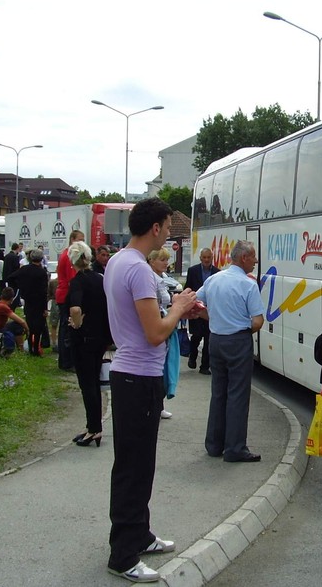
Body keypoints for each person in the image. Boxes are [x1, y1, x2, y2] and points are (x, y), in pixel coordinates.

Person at [103, 198, 198, 583]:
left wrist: (176, 312)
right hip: (138, 377)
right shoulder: (140, 271)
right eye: (167, 227)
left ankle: (138, 534)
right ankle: (123, 555)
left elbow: (145, 323)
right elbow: (155, 334)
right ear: (157, 228)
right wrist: (178, 306)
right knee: (134, 468)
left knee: (138, 463)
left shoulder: (116, 261)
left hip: (129, 373)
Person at [196, 240, 265, 463]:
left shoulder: (214, 279)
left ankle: (214, 444)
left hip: (215, 340)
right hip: (238, 341)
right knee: (237, 394)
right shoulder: (248, 285)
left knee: (218, 392)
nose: (255, 261)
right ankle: (235, 448)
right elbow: (257, 321)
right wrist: (245, 325)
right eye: (253, 256)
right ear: (243, 258)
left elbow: (196, 304)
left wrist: (214, 317)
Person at [67, 241, 112, 447]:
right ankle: (92, 426)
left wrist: (75, 324)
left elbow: (75, 309)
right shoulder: (99, 278)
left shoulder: (78, 281)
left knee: (88, 384)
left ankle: (94, 429)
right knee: (94, 381)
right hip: (101, 336)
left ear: (72, 260)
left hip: (84, 338)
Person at [147, 248, 182, 419]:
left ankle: (158, 404)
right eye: (162, 259)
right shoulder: (151, 278)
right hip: (160, 322)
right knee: (159, 366)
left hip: (166, 320)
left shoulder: (163, 279)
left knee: (164, 365)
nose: (165, 263)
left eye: (166, 260)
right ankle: (155, 405)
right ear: (152, 260)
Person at [8, 248, 49, 357]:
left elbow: (11, 277)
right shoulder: (42, 272)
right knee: (39, 326)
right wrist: (45, 308)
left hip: (28, 300)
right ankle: (36, 348)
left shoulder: (24, 269)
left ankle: (30, 346)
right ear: (41, 258)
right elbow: (44, 291)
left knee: (29, 324)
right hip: (39, 302)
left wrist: (20, 287)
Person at [185, 247, 218, 374]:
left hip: (210, 310)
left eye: (209, 257)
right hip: (196, 308)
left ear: (212, 258)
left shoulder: (217, 273)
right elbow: (188, 287)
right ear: (200, 258)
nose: (206, 260)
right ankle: (192, 357)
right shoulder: (192, 271)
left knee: (209, 338)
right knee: (197, 336)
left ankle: (204, 366)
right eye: (204, 257)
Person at [56, 229, 85, 371]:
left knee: (65, 328)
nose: (82, 243)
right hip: (66, 294)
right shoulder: (69, 257)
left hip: (64, 293)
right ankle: (67, 361)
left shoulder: (66, 254)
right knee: (68, 328)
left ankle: (66, 360)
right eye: (79, 240)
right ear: (72, 239)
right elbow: (72, 279)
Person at [2, 242, 23, 309]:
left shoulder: (7, 256)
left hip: (6, 278)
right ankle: (12, 306)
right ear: (17, 248)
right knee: (14, 295)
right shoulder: (15, 257)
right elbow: (16, 269)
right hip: (13, 280)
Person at [47, 277, 59, 351]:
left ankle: (54, 343)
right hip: (57, 302)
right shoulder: (53, 282)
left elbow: (49, 294)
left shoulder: (53, 282)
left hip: (55, 302)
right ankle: (55, 343)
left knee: (54, 324)